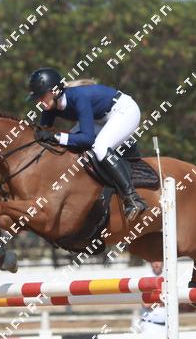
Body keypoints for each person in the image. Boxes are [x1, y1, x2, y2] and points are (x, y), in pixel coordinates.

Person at [27, 67, 147, 222]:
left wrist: (56, 136)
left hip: (124, 110)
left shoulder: (79, 98)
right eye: (36, 98)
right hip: (100, 119)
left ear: (54, 92)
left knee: (100, 147)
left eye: (41, 96)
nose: (38, 102)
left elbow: (88, 139)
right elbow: (44, 134)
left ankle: (132, 198)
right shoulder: (50, 106)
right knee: (70, 143)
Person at [140, 261, 166, 339]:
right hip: (151, 325)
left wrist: (156, 300)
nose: (156, 264)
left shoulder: (168, 277)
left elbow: (176, 302)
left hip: (166, 325)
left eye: (159, 261)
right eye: (154, 261)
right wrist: (162, 300)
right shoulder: (146, 279)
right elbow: (146, 304)